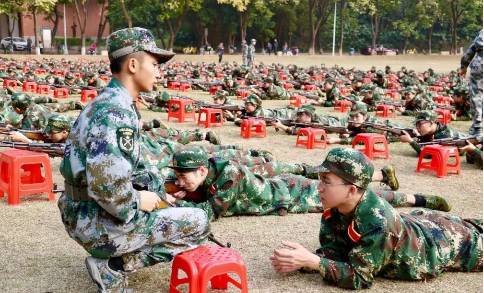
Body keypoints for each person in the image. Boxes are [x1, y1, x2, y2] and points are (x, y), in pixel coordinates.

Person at [57, 27, 210, 293]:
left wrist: (158, 194)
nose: (159, 72)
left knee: (168, 209)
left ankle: (113, 262)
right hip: (96, 223)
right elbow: (108, 189)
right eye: (154, 64)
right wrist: (140, 200)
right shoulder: (117, 112)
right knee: (200, 222)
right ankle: (114, 266)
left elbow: (126, 169)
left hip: (81, 213)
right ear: (132, 64)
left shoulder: (107, 102)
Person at [270, 147, 482, 290]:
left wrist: (314, 262)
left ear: (351, 189)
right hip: (418, 225)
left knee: (471, 234)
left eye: (326, 181)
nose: (319, 187)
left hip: (441, 247)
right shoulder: (334, 207)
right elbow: (337, 249)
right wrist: (302, 261)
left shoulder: (379, 223)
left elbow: (360, 277)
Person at [460, 29, 483, 137]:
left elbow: (470, 51)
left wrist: (463, 67)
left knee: (477, 97)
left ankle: (478, 127)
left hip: (480, 65)